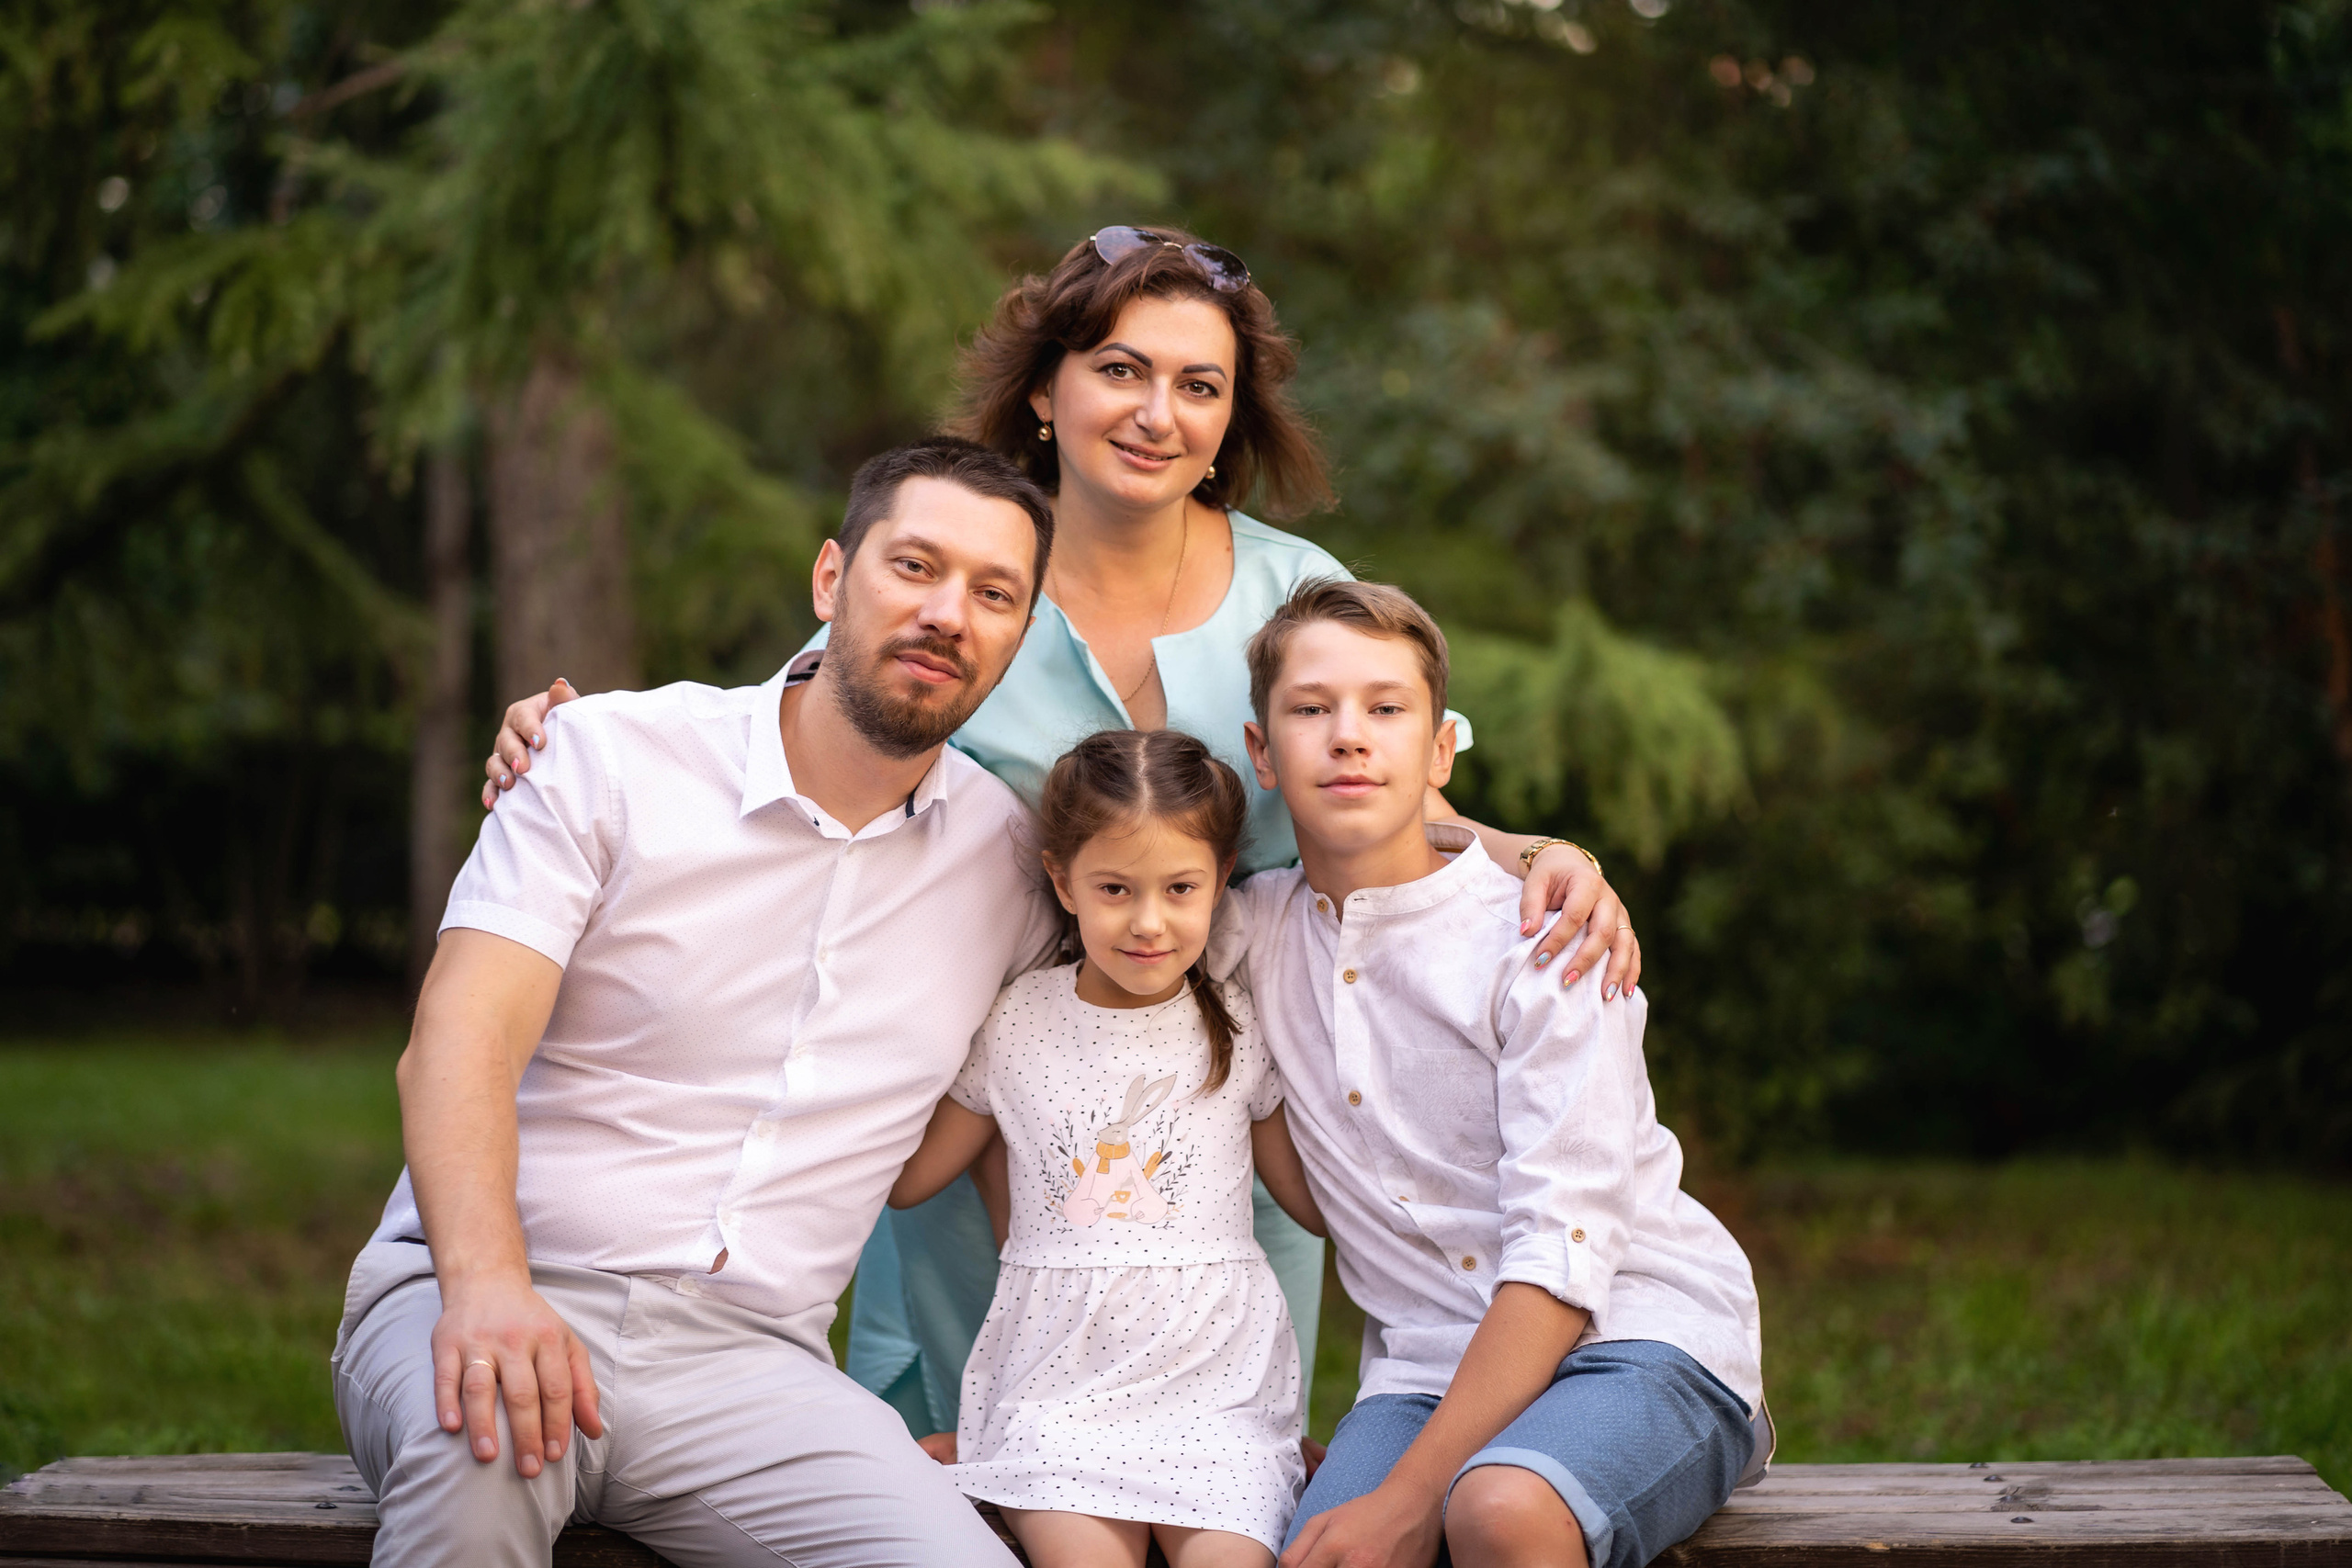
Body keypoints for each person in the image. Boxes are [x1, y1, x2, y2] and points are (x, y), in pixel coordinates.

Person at [478, 225, 1648, 1442]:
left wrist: (1547, 855)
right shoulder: (969, 575)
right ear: (1047, 390)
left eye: (1200, 385)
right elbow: (779, 741)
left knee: (1202, 1474)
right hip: (991, 1109)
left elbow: (1387, 804)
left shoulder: (1291, 589)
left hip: (1221, 1123)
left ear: (1229, 421)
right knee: (969, 1466)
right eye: (1121, 370)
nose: (1157, 411)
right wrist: (571, 735)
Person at [331, 439, 1067, 1568]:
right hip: (484, 1288)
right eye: (914, 567)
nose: (947, 614)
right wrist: (488, 1291)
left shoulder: (1014, 869)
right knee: (481, 1464)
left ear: (1018, 635)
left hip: (758, 1369)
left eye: (993, 593)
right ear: (831, 577)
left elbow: (1173, 959)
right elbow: (457, 1042)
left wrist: (1436, 839)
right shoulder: (606, 759)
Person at [1211, 579, 1770, 1568]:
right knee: (1307, 1553)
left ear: (1439, 751)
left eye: (1386, 709)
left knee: (1496, 1513)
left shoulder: (1542, 940)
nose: (1348, 736)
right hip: (1423, 1366)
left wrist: (1409, 1497)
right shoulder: (1243, 934)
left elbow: (1567, 1253)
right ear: (1262, 753)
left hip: (1631, 1336)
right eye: (1310, 709)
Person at [889, 728, 1325, 1567]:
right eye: (1116, 887)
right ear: (1063, 879)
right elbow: (909, 1181)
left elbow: (1311, 1199)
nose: (1149, 921)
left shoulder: (1239, 1021)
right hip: (1062, 1392)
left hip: (1217, 1393)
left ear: (1222, 876)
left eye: (1181, 887)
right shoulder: (1016, 1020)